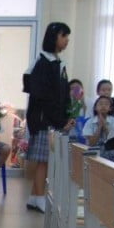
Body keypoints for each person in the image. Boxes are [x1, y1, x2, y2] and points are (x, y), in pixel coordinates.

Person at [22, 22, 74, 213]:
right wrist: (59, 120)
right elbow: (43, 97)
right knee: (44, 161)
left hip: (52, 120)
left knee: (45, 161)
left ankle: (34, 197)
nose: (66, 40)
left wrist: (66, 116)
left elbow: (62, 95)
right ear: (53, 37)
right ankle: (39, 197)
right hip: (44, 121)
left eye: (67, 36)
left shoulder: (57, 62)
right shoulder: (44, 62)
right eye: (63, 36)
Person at [82, 95, 114, 160]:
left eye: (106, 104)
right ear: (95, 108)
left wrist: (105, 126)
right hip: (94, 150)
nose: (103, 106)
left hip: (110, 150)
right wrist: (99, 126)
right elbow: (91, 144)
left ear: (110, 108)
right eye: (100, 104)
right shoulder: (89, 122)